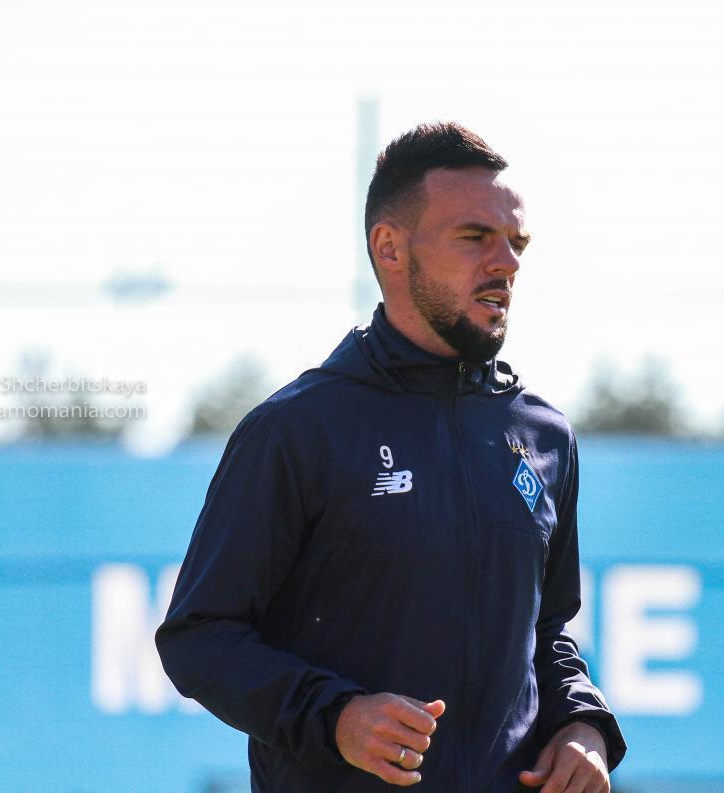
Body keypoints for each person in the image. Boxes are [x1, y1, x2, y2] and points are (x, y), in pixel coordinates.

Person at [155, 122, 626, 792]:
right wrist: (336, 717)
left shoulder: (545, 435)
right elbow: (199, 637)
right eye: (475, 237)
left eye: (516, 243)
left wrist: (582, 725)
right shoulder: (297, 429)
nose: (507, 263)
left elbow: (545, 631)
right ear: (390, 247)